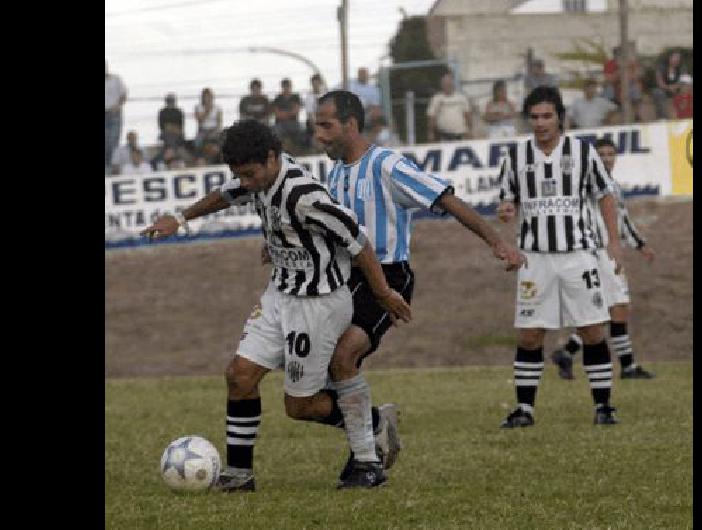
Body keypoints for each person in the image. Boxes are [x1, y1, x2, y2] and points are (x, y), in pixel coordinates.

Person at [141, 119, 412, 492]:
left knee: (299, 406)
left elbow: (358, 240)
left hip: (318, 304)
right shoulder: (256, 176)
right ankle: (239, 475)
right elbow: (227, 193)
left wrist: (382, 292)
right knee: (239, 375)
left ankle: (372, 433)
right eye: (240, 175)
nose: (246, 183)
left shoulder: (305, 195)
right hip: (279, 295)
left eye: (251, 174)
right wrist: (180, 218)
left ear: (272, 158)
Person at [309, 90, 525, 483]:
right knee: (315, 384)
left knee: (344, 358)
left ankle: (366, 463)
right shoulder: (336, 171)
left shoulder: (387, 165)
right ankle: (374, 426)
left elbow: (445, 199)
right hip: (342, 280)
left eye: (326, 126)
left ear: (351, 124)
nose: (319, 135)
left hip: (387, 277)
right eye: (316, 126)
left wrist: (498, 243)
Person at [496, 86, 623, 429]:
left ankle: (604, 407)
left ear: (560, 118)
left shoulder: (583, 153)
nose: (540, 123)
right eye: (534, 117)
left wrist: (613, 242)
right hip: (534, 258)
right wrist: (507, 209)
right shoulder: (516, 156)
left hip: (578, 255)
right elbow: (507, 200)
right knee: (530, 334)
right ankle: (524, 410)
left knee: (592, 329)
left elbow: (605, 196)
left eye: (547, 116)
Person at [550, 137, 656, 380]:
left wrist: (640, 245)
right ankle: (627, 367)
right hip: (598, 252)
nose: (607, 158)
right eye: (602, 154)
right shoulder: (588, 182)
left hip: (606, 251)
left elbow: (621, 219)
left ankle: (567, 353)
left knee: (610, 310)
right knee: (616, 308)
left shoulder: (612, 185)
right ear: (594, 158)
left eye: (611, 153)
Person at [426, 71, 472, 142]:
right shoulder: (436, 99)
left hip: (460, 135)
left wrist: (469, 131)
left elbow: (467, 116)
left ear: (452, 82)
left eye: (449, 81)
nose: (447, 84)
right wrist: (430, 133)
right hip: (443, 136)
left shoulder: (462, 98)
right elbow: (431, 117)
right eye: (444, 82)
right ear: (441, 84)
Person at [105, 60, 128, 171]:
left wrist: (118, 105)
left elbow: (123, 95)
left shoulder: (116, 79)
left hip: (114, 114)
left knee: (113, 141)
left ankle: (110, 167)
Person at [652, 51, 687, 120]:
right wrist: (669, 88)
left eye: (678, 59)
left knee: (684, 92)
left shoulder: (679, 69)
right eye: (675, 58)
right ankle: (662, 118)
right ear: (670, 58)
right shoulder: (661, 67)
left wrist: (676, 87)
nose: (676, 60)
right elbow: (660, 83)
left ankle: (683, 116)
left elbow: (681, 81)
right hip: (662, 89)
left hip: (674, 89)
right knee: (659, 93)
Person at [272, 78, 304, 152]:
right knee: (276, 132)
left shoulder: (296, 97)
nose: (286, 88)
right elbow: (277, 114)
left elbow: (296, 110)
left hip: (293, 122)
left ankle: (298, 150)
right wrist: (289, 113)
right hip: (280, 123)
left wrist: (284, 113)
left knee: (301, 130)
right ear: (282, 87)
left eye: (288, 86)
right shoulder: (278, 98)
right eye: (285, 86)